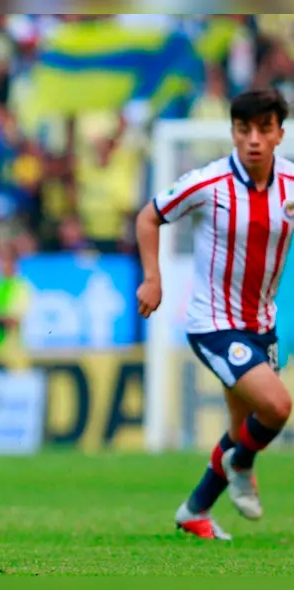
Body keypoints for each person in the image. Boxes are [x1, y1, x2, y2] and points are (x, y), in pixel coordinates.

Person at [136, 87, 292, 541]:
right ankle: (241, 463)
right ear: (234, 133)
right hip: (214, 325)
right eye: (245, 130)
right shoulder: (209, 184)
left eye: (265, 129)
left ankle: (194, 509)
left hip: (262, 325)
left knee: (241, 428)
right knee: (278, 407)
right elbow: (150, 217)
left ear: (280, 134)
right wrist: (153, 277)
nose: (255, 139)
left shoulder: (291, 186)